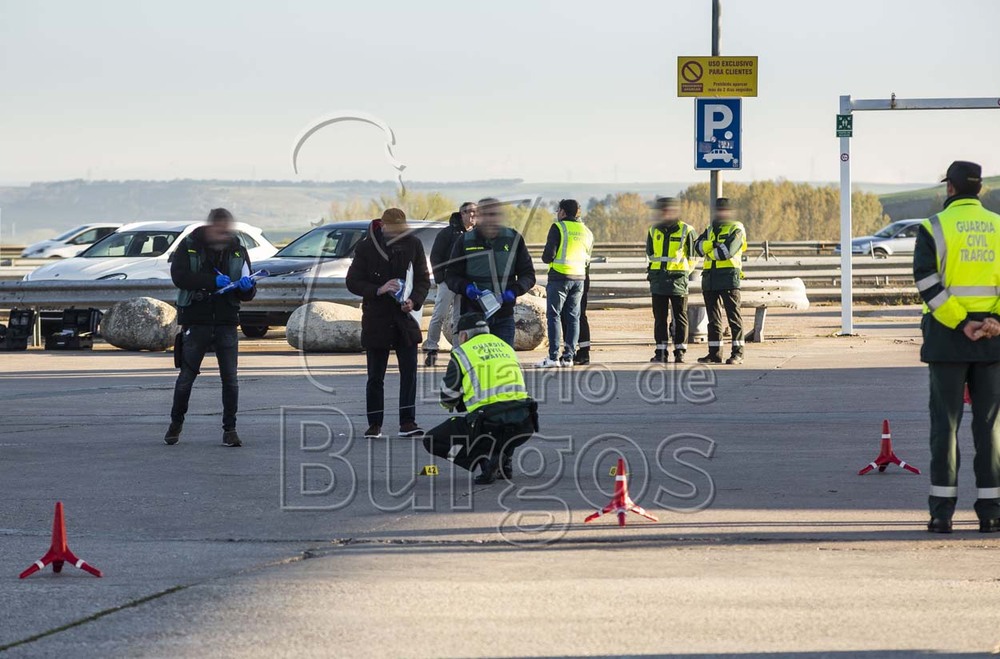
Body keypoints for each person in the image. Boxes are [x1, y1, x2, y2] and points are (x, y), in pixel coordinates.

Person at [914, 160, 1000, 534]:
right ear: (978, 190)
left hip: (948, 338)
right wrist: (994, 322)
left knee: (945, 428)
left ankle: (942, 513)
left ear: (950, 188)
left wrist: (960, 323)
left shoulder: (934, 226)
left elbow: (927, 281)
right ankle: (992, 512)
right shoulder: (998, 226)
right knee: (990, 428)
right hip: (993, 338)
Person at [166, 208, 256, 447]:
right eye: (219, 230)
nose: (223, 235)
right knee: (186, 377)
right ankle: (175, 424)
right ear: (209, 228)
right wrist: (210, 282)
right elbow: (179, 276)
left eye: (227, 230)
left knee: (231, 380)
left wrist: (247, 287)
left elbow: (249, 292)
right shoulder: (189, 245)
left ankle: (230, 430)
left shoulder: (238, 249)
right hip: (196, 320)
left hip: (227, 320)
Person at [422, 313, 538, 485]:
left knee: (432, 440)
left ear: (463, 335)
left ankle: (483, 460)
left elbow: (448, 397)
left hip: (489, 424)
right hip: (524, 423)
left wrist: (457, 400)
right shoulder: (506, 347)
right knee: (507, 412)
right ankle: (504, 464)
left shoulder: (462, 353)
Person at [346, 208, 431, 439]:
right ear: (383, 226)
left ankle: (408, 422)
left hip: (405, 318)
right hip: (376, 318)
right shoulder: (365, 247)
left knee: (409, 373)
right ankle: (374, 424)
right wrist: (379, 289)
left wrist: (414, 301)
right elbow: (352, 282)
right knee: (375, 376)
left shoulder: (413, 244)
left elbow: (423, 279)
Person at [445, 198, 536, 348]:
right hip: (473, 317)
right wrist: (466, 288)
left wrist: (514, 291)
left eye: (494, 214)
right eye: (486, 214)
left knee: (503, 364)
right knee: (473, 365)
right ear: (478, 215)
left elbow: (528, 274)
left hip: (504, 316)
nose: (490, 219)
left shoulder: (513, 239)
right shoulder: (465, 241)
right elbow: (451, 275)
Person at [536, 199, 593, 368]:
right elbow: (587, 258)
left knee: (554, 316)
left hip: (559, 277)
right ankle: (568, 357)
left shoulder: (558, 227)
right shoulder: (587, 231)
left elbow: (548, 255)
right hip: (579, 278)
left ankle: (553, 357)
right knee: (574, 317)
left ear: (562, 212)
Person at [694, 197, 746, 365]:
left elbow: (726, 252)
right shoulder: (711, 229)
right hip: (710, 278)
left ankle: (738, 353)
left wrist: (709, 249)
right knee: (713, 319)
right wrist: (713, 245)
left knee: (733, 317)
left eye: (724, 210)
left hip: (729, 277)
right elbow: (697, 247)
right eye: (718, 210)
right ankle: (714, 353)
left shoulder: (736, 228)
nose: (721, 213)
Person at [424, 202, 476, 367]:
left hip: (465, 283)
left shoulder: (477, 235)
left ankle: (457, 350)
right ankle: (431, 347)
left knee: (459, 318)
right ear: (462, 214)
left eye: (476, 212)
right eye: (470, 212)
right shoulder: (447, 233)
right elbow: (435, 256)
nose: (473, 216)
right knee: (439, 314)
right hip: (447, 281)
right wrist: (440, 278)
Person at [646, 197, 695, 363]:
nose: (665, 213)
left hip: (678, 281)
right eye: (662, 210)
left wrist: (684, 273)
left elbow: (693, 257)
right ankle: (660, 352)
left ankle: (680, 351)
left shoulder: (686, 230)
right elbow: (651, 255)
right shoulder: (653, 230)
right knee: (660, 318)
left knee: (680, 317)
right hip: (658, 281)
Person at [565, 264, 591, 365]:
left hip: (572, 274)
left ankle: (581, 352)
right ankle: (577, 351)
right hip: (579, 274)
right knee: (576, 315)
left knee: (575, 315)